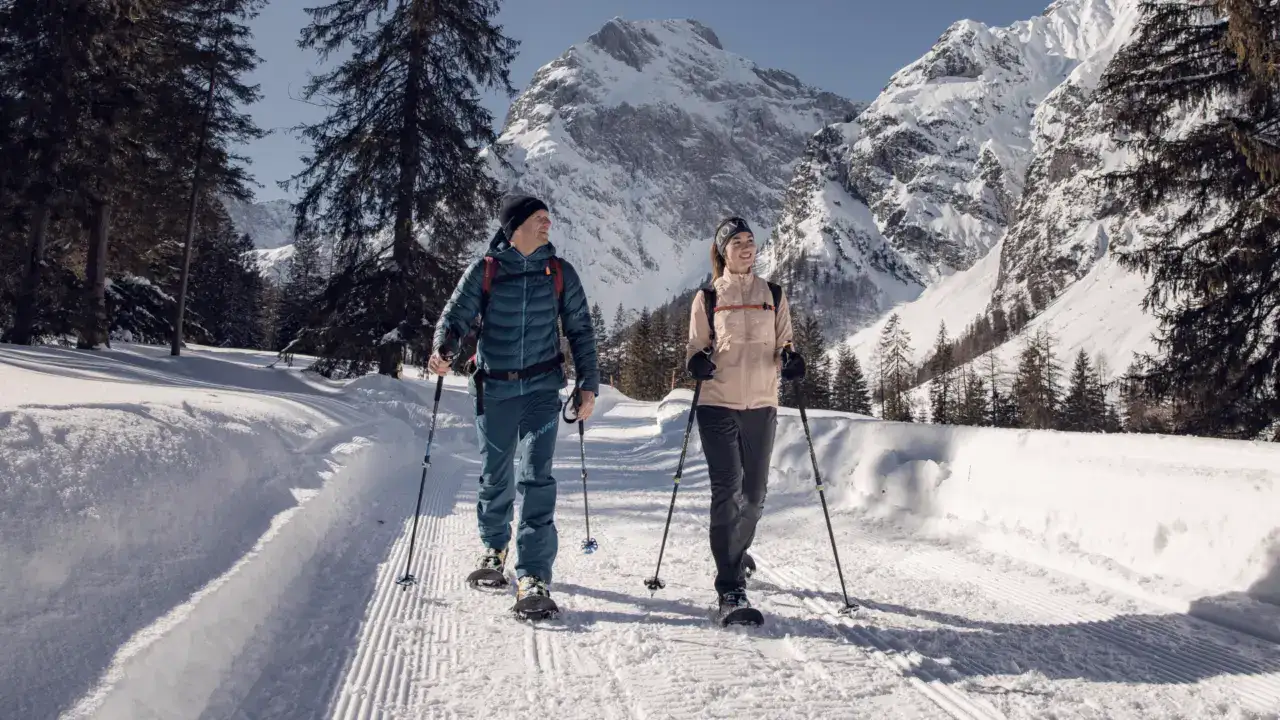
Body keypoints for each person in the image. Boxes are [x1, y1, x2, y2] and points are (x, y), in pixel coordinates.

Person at [428, 194, 600, 605]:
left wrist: (588, 383)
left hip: (542, 390)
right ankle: (494, 547)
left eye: (548, 218)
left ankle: (534, 573)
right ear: (515, 227)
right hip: (495, 390)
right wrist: (443, 348)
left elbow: (580, 329)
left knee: (537, 477)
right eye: (539, 218)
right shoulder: (485, 270)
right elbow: (455, 316)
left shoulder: (559, 272)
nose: (547, 224)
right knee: (496, 474)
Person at [685, 216, 805, 614]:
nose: (747, 246)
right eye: (737, 241)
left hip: (762, 405)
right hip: (717, 404)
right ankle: (730, 588)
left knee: (754, 496)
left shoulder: (773, 293)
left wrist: (791, 359)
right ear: (724, 251)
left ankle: (735, 552)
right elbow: (695, 347)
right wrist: (697, 362)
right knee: (728, 489)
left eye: (750, 240)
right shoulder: (708, 298)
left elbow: (785, 342)